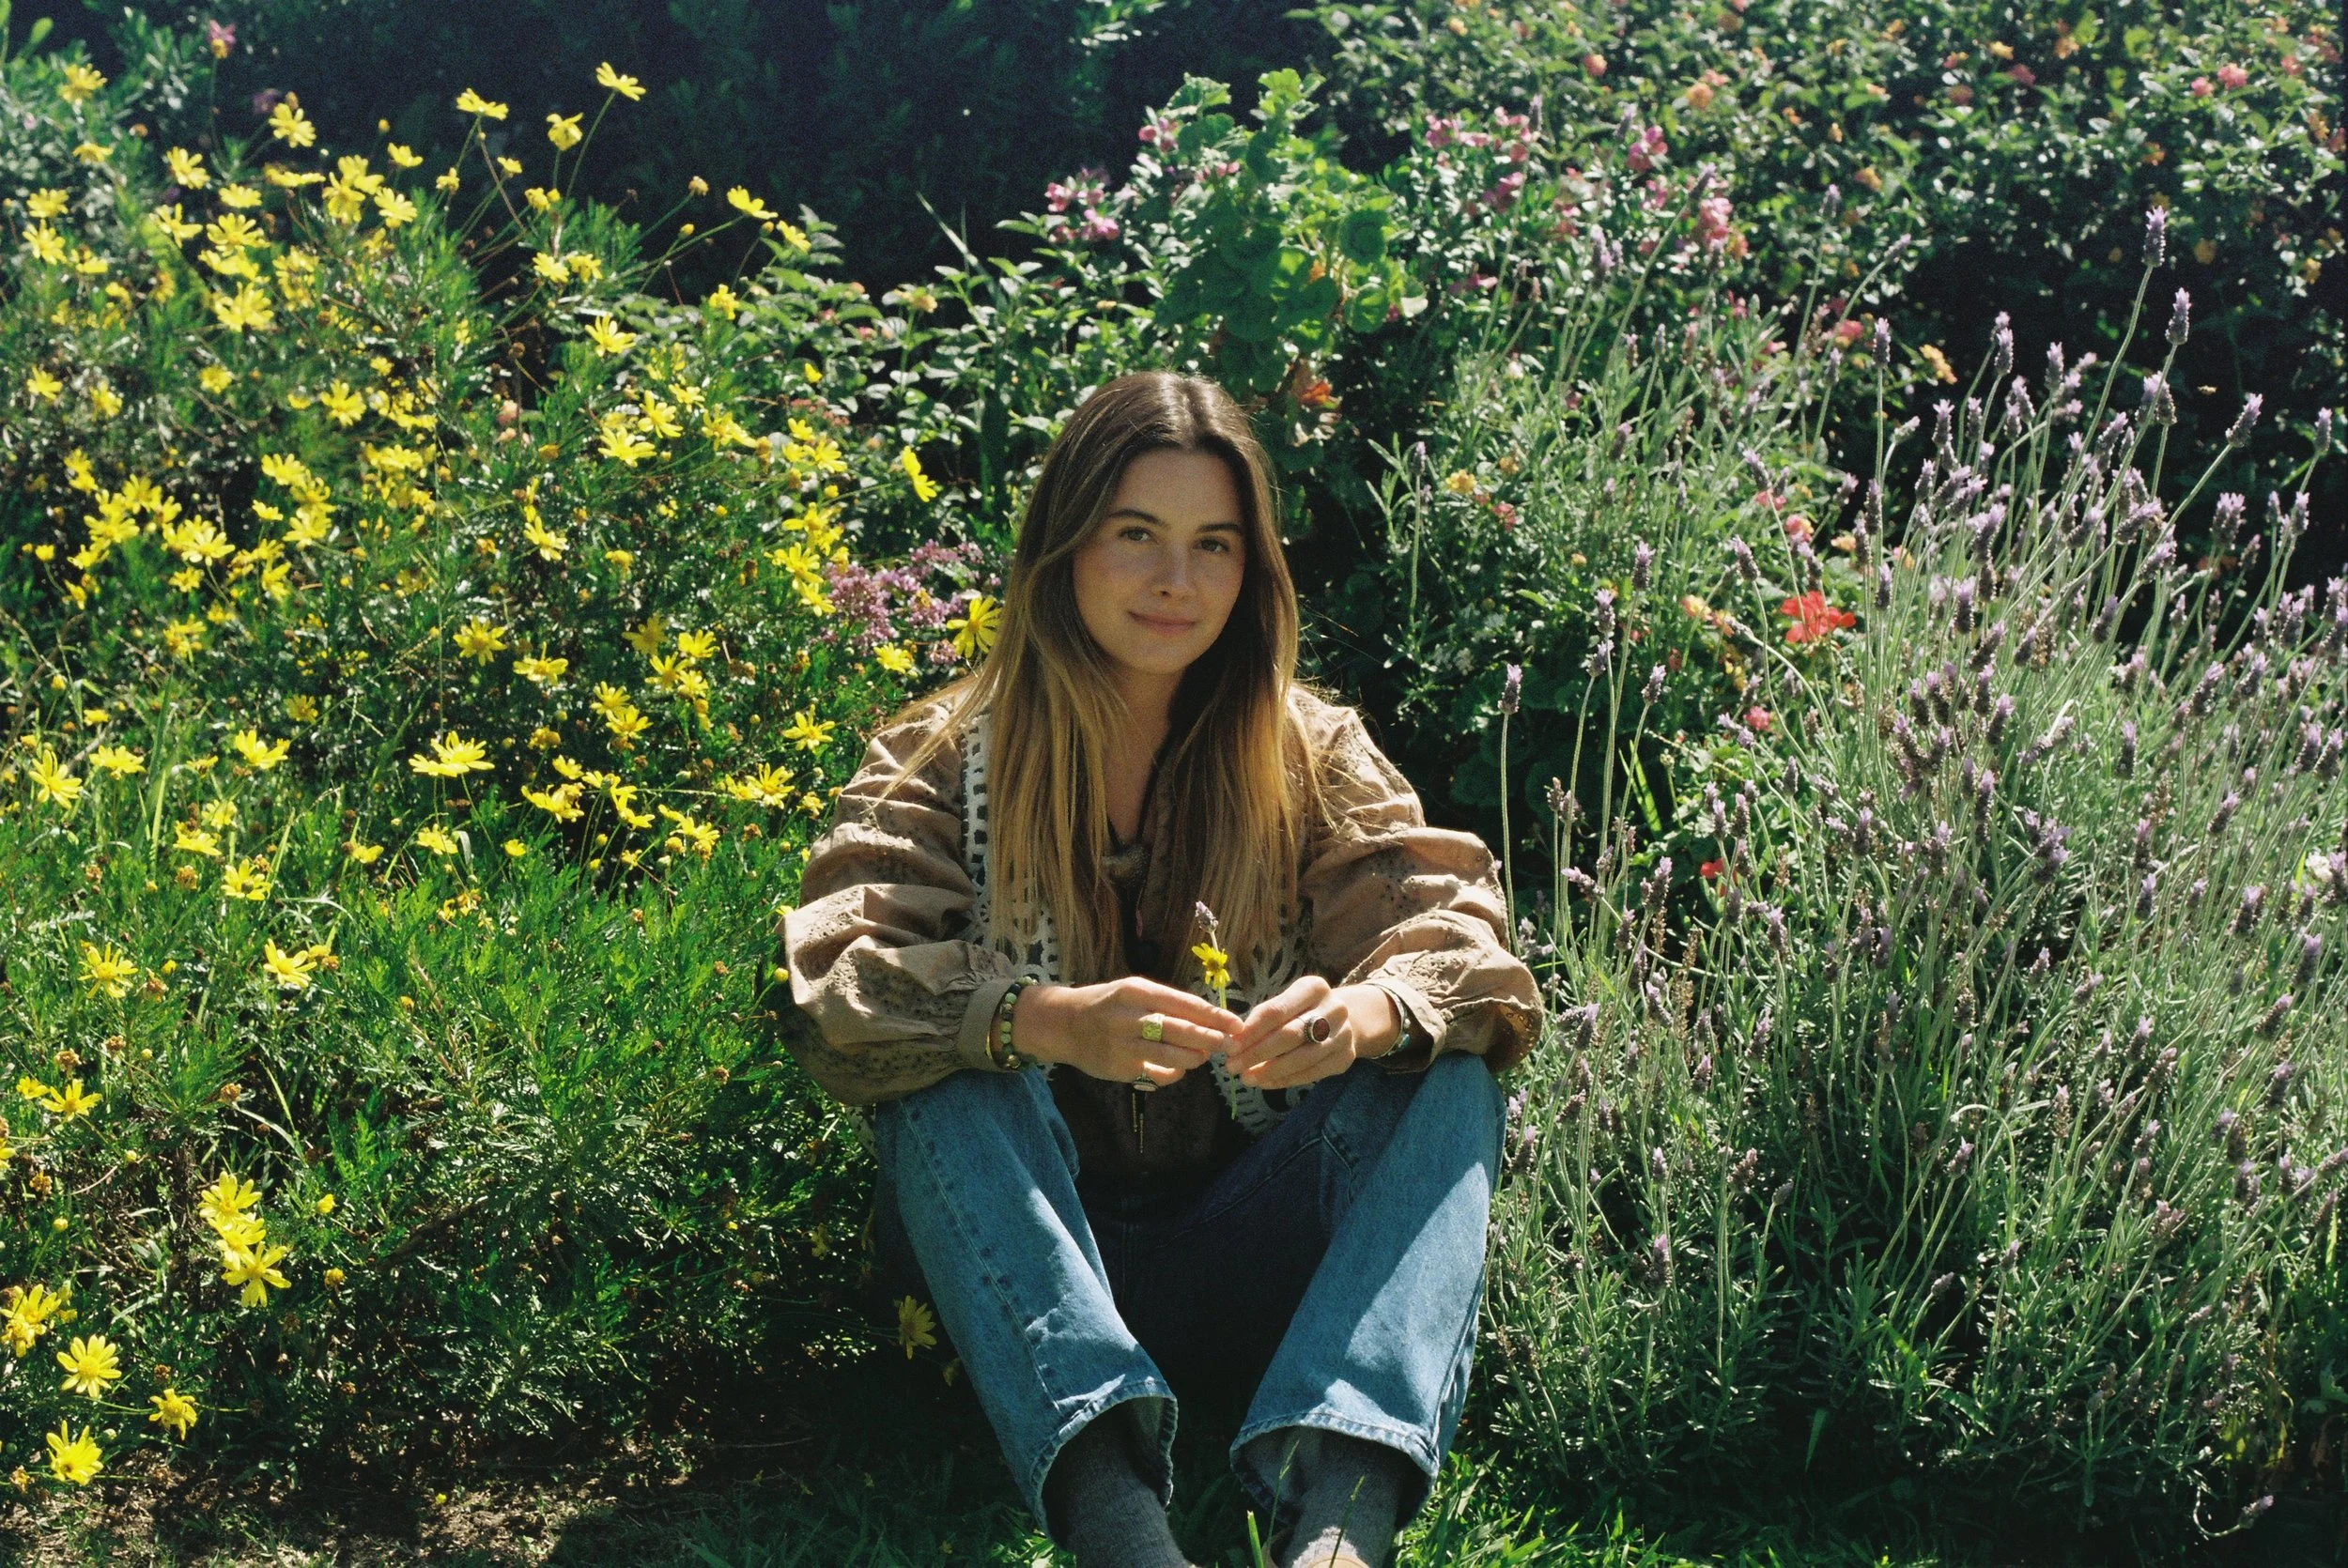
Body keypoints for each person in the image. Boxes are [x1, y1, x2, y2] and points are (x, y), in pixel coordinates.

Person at [770, 371, 1542, 1568]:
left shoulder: (1310, 751)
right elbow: (835, 985)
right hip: (1013, 1261)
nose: (1176, 579)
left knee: (1444, 1068)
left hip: (1241, 1249)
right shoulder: (939, 755)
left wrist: (1361, 1012)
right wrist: (1042, 1019)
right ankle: (1117, 1521)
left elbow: (1464, 946)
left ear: (1252, 571)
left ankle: (1339, 1522)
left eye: (1213, 544)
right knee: (941, 1066)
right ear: (1064, 547)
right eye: (1136, 533)